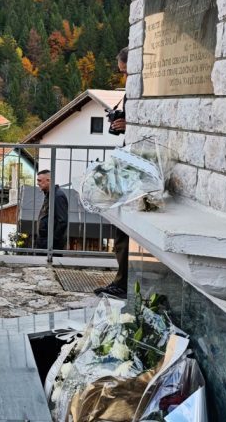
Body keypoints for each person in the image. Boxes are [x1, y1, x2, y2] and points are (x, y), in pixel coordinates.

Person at [96, 48, 131, 298]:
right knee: (121, 227)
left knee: (123, 228)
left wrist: (128, 124)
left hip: (133, 167)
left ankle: (122, 283)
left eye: (126, 72)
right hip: (129, 162)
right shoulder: (133, 91)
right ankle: (122, 281)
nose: (125, 78)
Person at [34, 170, 68, 254]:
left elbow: (62, 221)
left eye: (40, 181)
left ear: (49, 180)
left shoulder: (57, 196)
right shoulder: (50, 194)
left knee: (47, 261)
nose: (38, 183)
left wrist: (52, 240)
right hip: (45, 241)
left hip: (50, 243)